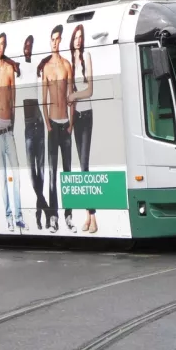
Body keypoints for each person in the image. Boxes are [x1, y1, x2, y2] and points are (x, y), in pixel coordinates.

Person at [41, 24, 76, 233]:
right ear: (50, 41)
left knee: (68, 172)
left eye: (57, 39)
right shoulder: (46, 68)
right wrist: (47, 123)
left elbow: (71, 95)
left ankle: (69, 215)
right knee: (53, 172)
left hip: (65, 124)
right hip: (53, 124)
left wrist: (71, 123)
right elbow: (43, 99)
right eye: (52, 39)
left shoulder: (66, 65)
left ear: (60, 40)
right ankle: (53, 215)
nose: (55, 42)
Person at [0, 33, 24, 231]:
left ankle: (18, 215)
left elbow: (13, 99)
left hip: (8, 128)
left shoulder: (10, 69)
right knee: (2, 176)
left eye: (2, 44)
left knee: (16, 173)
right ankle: (8, 216)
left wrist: (13, 123)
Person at [68, 24, 97, 233]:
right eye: (75, 37)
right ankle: (88, 216)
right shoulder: (70, 61)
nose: (78, 40)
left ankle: (93, 217)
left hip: (86, 116)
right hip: (75, 117)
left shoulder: (86, 56)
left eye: (80, 36)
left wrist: (73, 96)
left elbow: (90, 90)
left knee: (85, 165)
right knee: (81, 167)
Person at [21, 35, 48, 230]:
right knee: (32, 171)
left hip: (38, 123)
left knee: (41, 170)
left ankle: (40, 211)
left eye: (30, 45)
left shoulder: (38, 67)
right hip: (28, 126)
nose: (27, 48)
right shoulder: (19, 68)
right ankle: (44, 207)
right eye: (25, 45)